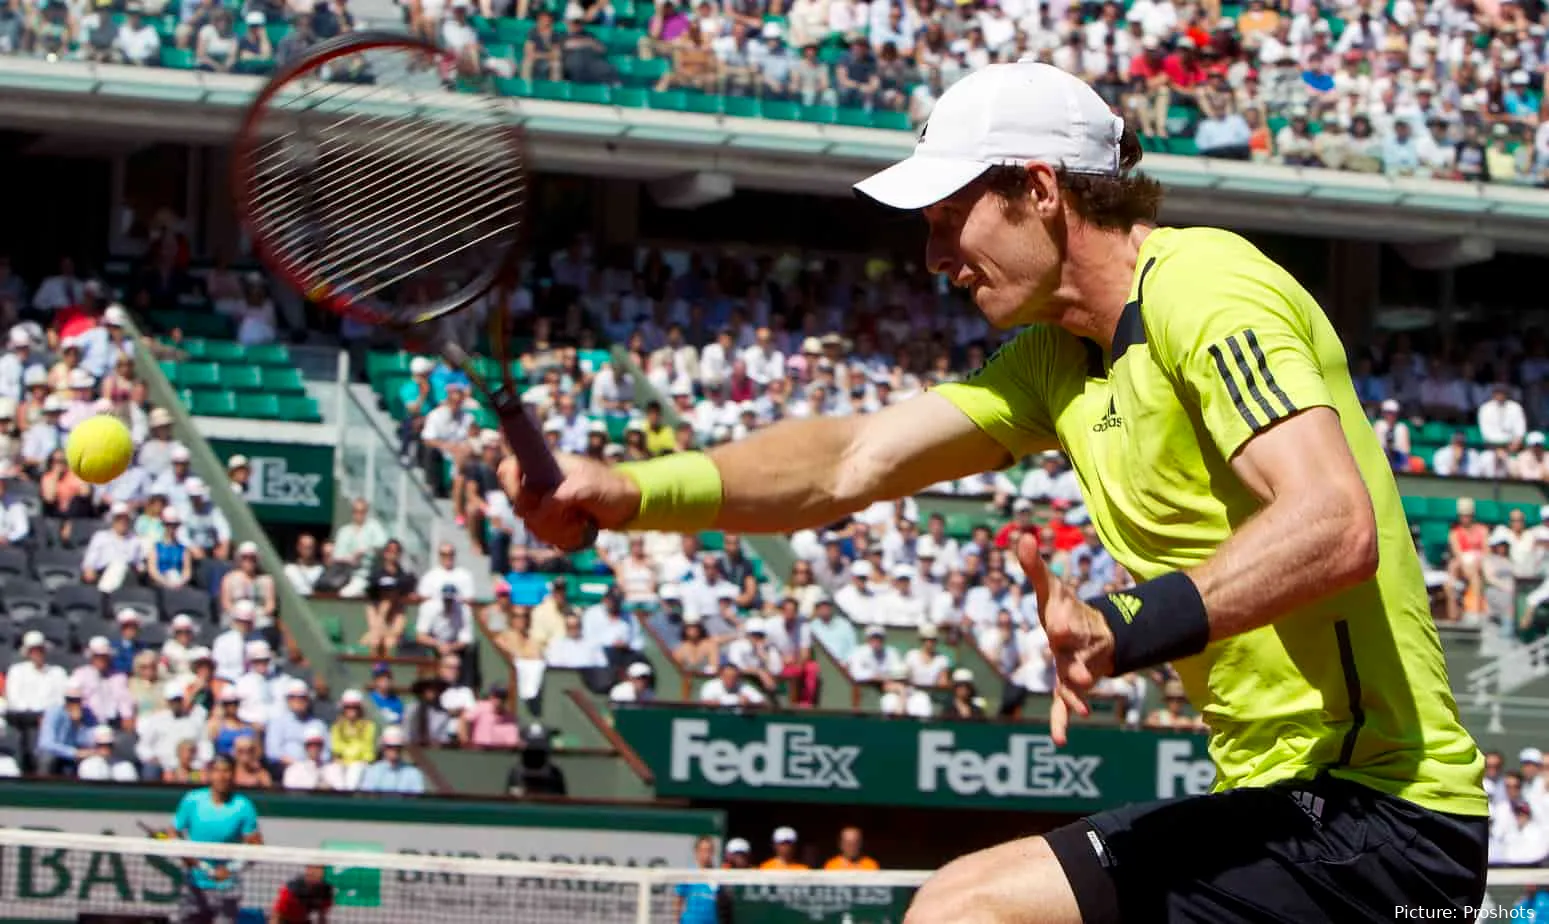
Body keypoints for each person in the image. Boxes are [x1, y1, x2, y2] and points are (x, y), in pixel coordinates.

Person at [501, 61, 1487, 923]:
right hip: (1287, 817)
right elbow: (848, 461)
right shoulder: (1057, 362)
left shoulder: (1206, 288)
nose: (933, 260)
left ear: (1040, 189)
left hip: (1378, 823)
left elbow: (1332, 522)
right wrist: (632, 490)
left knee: (964, 909)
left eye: (947, 219)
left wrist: (1119, 622)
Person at [165, 753, 263, 924]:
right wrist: (183, 852)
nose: (222, 776)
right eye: (217, 771)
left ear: (233, 774)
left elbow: (255, 846)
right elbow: (173, 831)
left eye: (226, 771)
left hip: (228, 888)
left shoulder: (243, 806)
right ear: (210, 774)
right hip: (194, 886)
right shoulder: (192, 800)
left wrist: (231, 869)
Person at [674, 835, 730, 924]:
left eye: (709, 851)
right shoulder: (688, 874)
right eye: (703, 850)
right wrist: (676, 921)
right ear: (696, 852)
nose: (706, 855)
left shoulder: (718, 876)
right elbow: (678, 901)